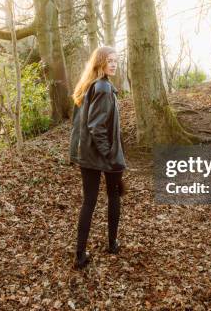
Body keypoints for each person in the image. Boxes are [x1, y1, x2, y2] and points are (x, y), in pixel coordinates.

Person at [69, 46, 127, 270]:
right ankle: (112, 244)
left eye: (115, 61)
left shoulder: (89, 85)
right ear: (99, 62)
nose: (113, 64)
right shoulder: (103, 87)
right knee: (112, 196)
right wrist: (110, 155)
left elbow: (81, 125)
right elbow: (96, 126)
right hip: (102, 155)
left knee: (89, 202)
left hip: (87, 156)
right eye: (109, 60)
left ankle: (80, 255)